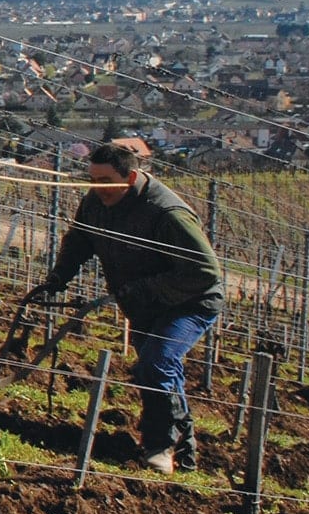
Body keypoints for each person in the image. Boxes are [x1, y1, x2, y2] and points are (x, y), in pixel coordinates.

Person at [25, 142, 225, 474]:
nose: (96, 189)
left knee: (157, 364)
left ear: (130, 177)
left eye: (104, 181)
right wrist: (59, 277)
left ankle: (159, 446)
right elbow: (80, 240)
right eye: (92, 180)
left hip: (190, 301)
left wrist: (143, 289)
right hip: (144, 302)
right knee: (159, 370)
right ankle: (184, 452)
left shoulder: (166, 214)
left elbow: (204, 273)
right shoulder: (96, 203)